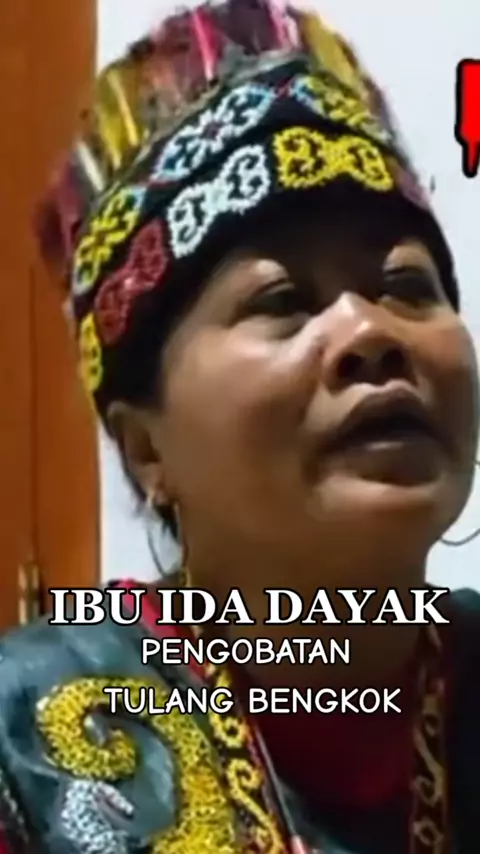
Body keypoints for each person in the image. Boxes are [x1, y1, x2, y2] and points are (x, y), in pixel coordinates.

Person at [1, 0, 479, 851]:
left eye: (408, 286)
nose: (370, 332)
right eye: (282, 301)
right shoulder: (25, 746)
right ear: (146, 447)